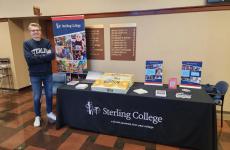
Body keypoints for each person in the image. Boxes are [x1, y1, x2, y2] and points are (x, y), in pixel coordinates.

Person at [23, 23, 56, 127]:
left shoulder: (46, 42)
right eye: (33, 30)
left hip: (47, 74)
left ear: (40, 31)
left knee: (49, 95)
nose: (36, 32)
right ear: (30, 32)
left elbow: (52, 56)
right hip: (35, 75)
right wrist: (44, 57)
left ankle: (50, 113)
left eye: (37, 30)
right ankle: (37, 116)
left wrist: (37, 58)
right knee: (37, 97)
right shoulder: (27, 44)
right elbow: (29, 59)